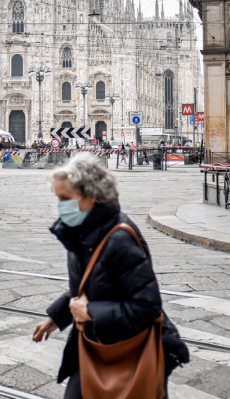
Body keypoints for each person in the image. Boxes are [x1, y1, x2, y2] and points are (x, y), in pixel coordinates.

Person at [32, 153, 176, 398]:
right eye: (58, 198)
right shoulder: (81, 231)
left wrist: (89, 313)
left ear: (90, 196)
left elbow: (148, 307)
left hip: (125, 353)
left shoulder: (119, 238)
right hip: (95, 344)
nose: (60, 205)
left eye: (65, 198)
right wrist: (58, 317)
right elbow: (92, 283)